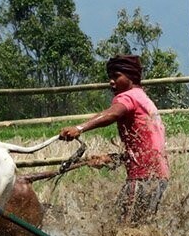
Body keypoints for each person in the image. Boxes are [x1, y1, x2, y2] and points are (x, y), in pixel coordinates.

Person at [58, 55, 169, 225]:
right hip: (158, 175)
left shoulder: (128, 97)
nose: (111, 81)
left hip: (142, 178)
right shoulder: (144, 99)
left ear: (131, 76)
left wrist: (79, 128)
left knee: (121, 227)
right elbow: (146, 147)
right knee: (140, 226)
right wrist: (114, 158)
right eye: (110, 77)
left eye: (116, 76)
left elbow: (112, 114)